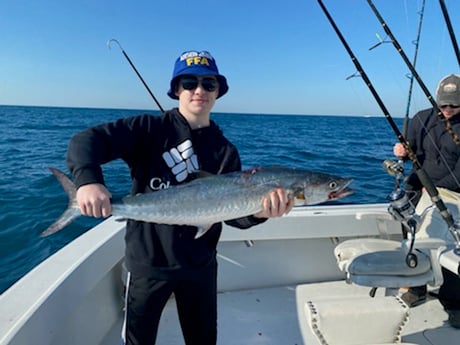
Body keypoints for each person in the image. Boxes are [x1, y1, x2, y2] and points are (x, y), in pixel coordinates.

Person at [66, 50, 294, 345]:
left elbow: (235, 216)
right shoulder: (149, 130)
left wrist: (260, 212)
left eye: (208, 84)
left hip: (200, 267)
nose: (199, 90)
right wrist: (88, 181)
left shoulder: (225, 151)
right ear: (176, 90)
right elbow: (85, 141)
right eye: (189, 83)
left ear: (218, 92)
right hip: (148, 263)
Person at [393, 74, 460, 328]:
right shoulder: (422, 118)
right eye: (443, 105)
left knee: (452, 244)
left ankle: (454, 301)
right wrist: (401, 149)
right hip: (419, 185)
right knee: (411, 236)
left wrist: (436, 192)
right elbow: (410, 149)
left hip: (452, 191)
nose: (447, 110)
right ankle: (417, 286)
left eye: (454, 105)